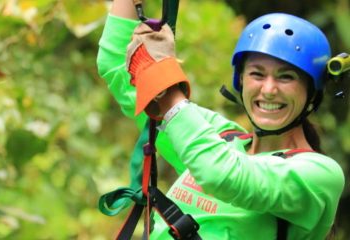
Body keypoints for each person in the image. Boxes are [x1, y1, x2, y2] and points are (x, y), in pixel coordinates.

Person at [97, 0, 345, 239]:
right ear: (241, 81)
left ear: (312, 91)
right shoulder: (221, 138)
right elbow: (119, 66)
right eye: (257, 74)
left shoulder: (318, 175)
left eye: (286, 77)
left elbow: (222, 174)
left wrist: (165, 85)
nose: (269, 89)